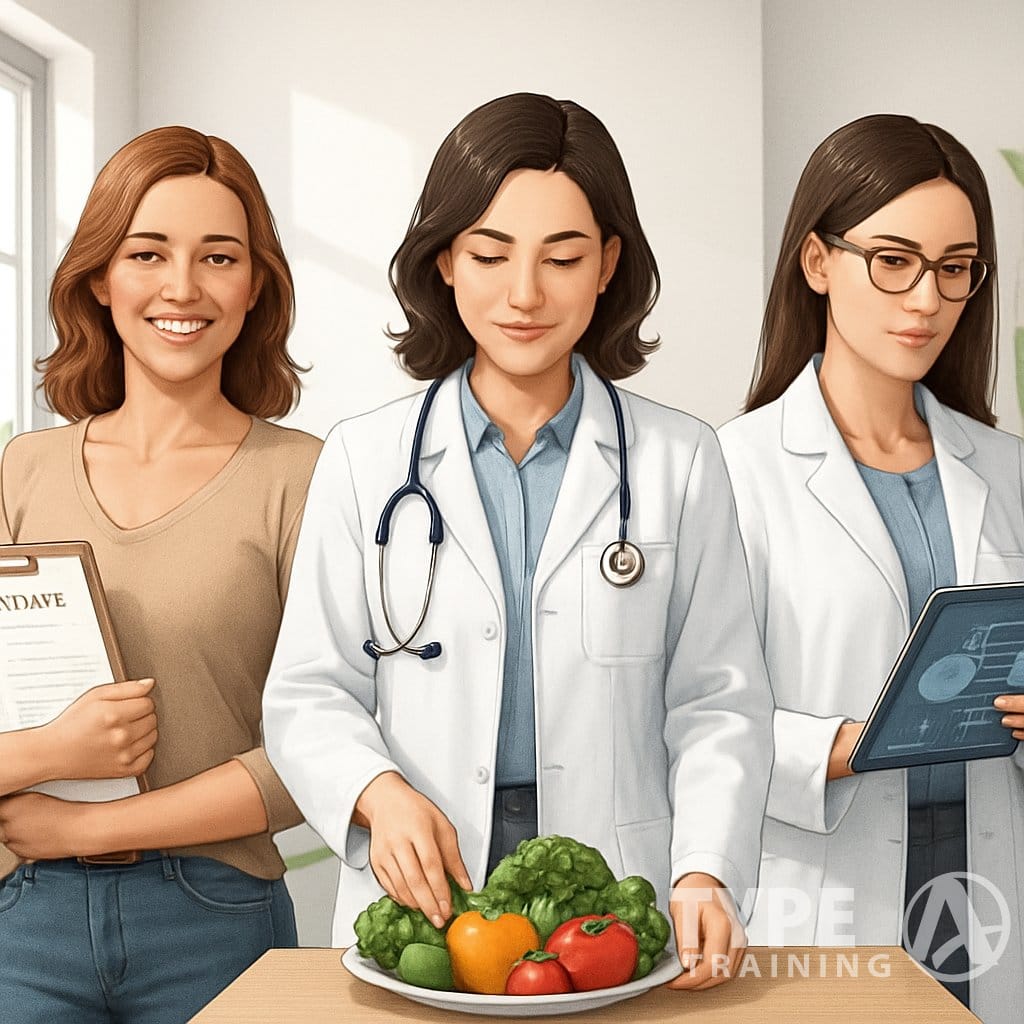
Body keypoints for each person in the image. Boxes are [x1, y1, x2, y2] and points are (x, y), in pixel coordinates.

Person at [262, 92, 773, 990]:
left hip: (613, 898)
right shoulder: (364, 459)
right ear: (446, 262)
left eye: (563, 257)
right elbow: (308, 692)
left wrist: (705, 867)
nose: (525, 294)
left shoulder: (680, 461)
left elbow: (719, 701)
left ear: (610, 263)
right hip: (427, 891)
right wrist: (378, 795)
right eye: (491, 255)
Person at [0, 126, 322, 1023]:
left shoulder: (306, 478)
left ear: (255, 286)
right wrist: (48, 758)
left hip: (217, 923)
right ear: (100, 279)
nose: (183, 287)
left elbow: (324, 754)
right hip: (19, 924)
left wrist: (91, 825)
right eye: (149, 253)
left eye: (219, 256)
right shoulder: (19, 473)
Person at [717, 114, 1024, 1021]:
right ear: (818, 262)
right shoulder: (732, 471)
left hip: (985, 880)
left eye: (955, 267)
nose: (925, 299)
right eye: (893, 260)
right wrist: (849, 746)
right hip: (824, 890)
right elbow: (687, 718)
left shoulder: (1008, 471)